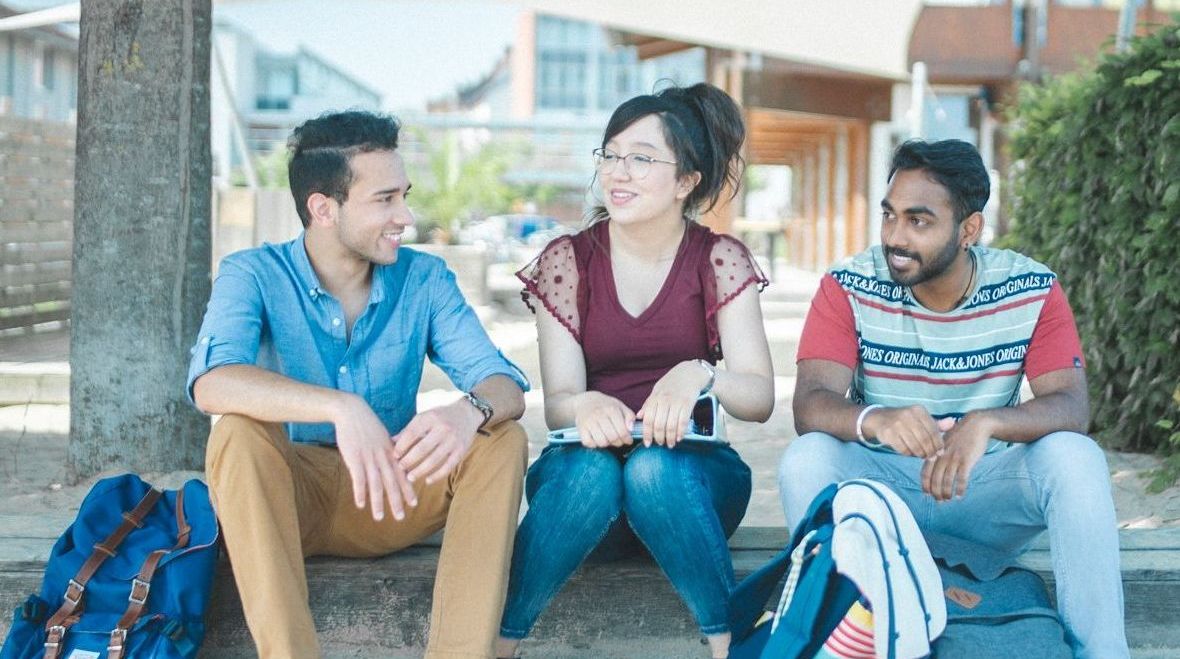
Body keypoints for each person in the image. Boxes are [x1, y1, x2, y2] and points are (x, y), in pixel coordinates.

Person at [187, 110, 531, 659]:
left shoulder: (424, 278)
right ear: (323, 208)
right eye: (385, 199)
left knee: (501, 436)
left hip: (391, 491)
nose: (406, 215)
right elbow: (212, 381)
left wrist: (468, 410)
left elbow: (504, 385)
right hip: (286, 498)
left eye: (405, 195)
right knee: (236, 434)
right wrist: (341, 408)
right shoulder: (251, 273)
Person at [778, 139, 1128, 658]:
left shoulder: (1030, 287)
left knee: (1076, 457)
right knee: (805, 458)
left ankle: (1100, 653)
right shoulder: (848, 284)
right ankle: (838, 638)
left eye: (919, 221)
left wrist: (985, 423)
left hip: (979, 495)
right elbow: (810, 403)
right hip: (881, 498)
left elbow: (1071, 407)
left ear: (969, 229)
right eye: (890, 216)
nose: (896, 236)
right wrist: (875, 419)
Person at [495, 83, 775, 659]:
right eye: (611, 154)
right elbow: (558, 402)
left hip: (691, 492)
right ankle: (499, 644)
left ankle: (732, 646)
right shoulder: (566, 260)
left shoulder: (719, 259)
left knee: (653, 470)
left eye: (641, 159)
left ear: (686, 181)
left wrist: (701, 372)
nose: (618, 173)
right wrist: (585, 405)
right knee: (594, 473)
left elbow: (759, 398)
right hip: (584, 497)